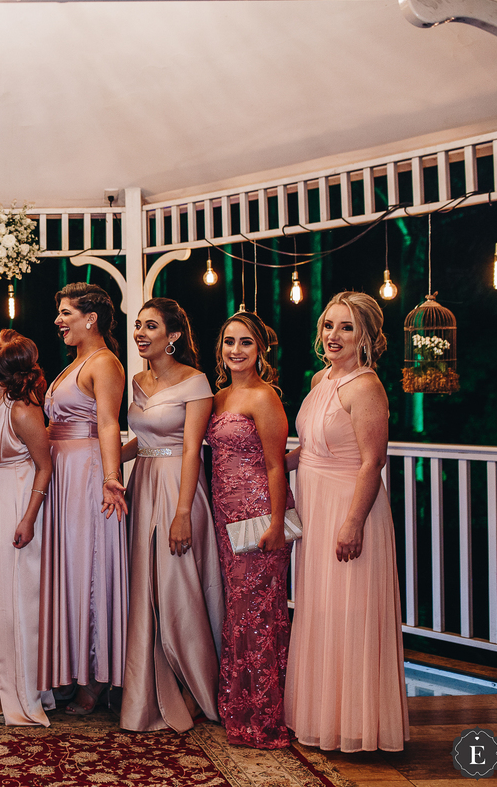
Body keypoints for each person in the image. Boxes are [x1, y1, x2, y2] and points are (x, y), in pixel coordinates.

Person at [284, 291, 409, 752]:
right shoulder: (322, 377)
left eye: (346, 328)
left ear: (367, 337)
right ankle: (320, 715)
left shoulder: (365, 387)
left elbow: (372, 461)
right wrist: (270, 465)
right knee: (319, 608)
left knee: (350, 609)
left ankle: (356, 724)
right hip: (313, 506)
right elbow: (311, 448)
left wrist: (353, 523)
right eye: (329, 326)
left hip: (348, 506)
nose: (333, 336)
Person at [120, 296, 222, 733]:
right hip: (141, 484)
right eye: (138, 325)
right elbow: (137, 441)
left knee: (177, 586)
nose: (140, 333)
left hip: (179, 488)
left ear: (173, 336)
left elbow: (192, 451)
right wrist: (96, 466)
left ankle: (197, 687)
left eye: (151, 327)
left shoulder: (195, 382)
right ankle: (145, 687)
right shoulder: (138, 381)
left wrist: (183, 513)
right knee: (143, 585)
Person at [39, 282, 128, 715]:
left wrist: (111, 477)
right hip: (61, 471)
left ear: (90, 319)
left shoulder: (105, 363)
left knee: (89, 565)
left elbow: (110, 424)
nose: (58, 320)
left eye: (66, 313)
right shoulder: (76, 362)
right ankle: (70, 669)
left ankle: (95, 678)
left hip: (87, 472)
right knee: (68, 567)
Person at [205, 311, 294, 748]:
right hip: (225, 517)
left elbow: (277, 466)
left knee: (259, 615)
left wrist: (277, 525)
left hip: (260, 516)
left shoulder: (264, 397)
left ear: (260, 350)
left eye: (245, 343)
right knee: (238, 612)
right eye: (228, 342)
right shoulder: (218, 396)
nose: (235, 350)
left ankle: (265, 716)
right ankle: (238, 708)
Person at [0, 329, 53, 727]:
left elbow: (44, 466)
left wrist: (28, 517)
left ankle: (20, 689)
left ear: (2, 365)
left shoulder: (22, 409)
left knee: (11, 594)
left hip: (14, 497)